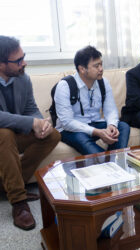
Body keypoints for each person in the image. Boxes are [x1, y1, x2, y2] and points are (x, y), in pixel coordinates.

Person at [0, 36, 61, 230]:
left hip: (15, 137)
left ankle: (8, 185)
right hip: (2, 137)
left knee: (54, 135)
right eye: (18, 60)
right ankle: (19, 202)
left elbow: (30, 108)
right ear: (1, 64)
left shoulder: (23, 79)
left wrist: (41, 124)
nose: (24, 62)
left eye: (23, 56)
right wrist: (30, 122)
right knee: (4, 133)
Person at [54, 46, 130, 155]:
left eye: (101, 64)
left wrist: (111, 126)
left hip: (95, 124)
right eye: (96, 66)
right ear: (82, 69)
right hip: (71, 130)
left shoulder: (103, 82)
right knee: (81, 137)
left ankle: (115, 159)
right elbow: (67, 122)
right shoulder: (64, 86)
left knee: (123, 126)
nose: (101, 69)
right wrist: (97, 132)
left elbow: (110, 110)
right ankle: (110, 163)